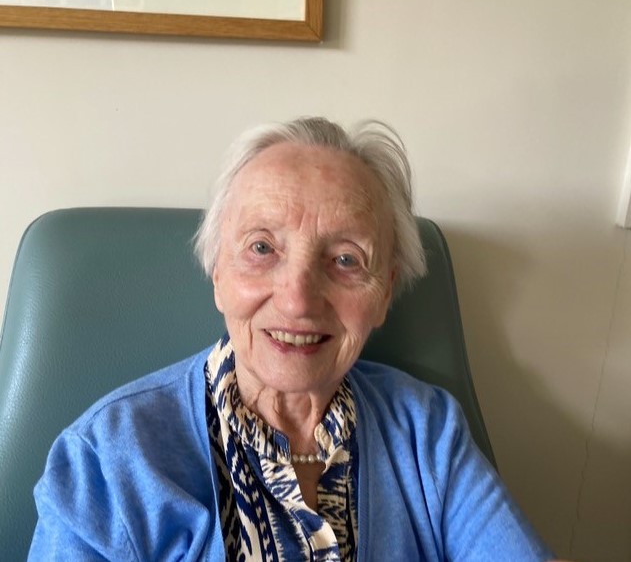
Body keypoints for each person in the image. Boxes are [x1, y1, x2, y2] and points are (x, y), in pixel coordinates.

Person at [29, 117, 559, 561]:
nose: (298, 300)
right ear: (218, 273)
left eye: (346, 259)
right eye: (262, 248)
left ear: (384, 293)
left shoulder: (428, 433)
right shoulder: (106, 461)